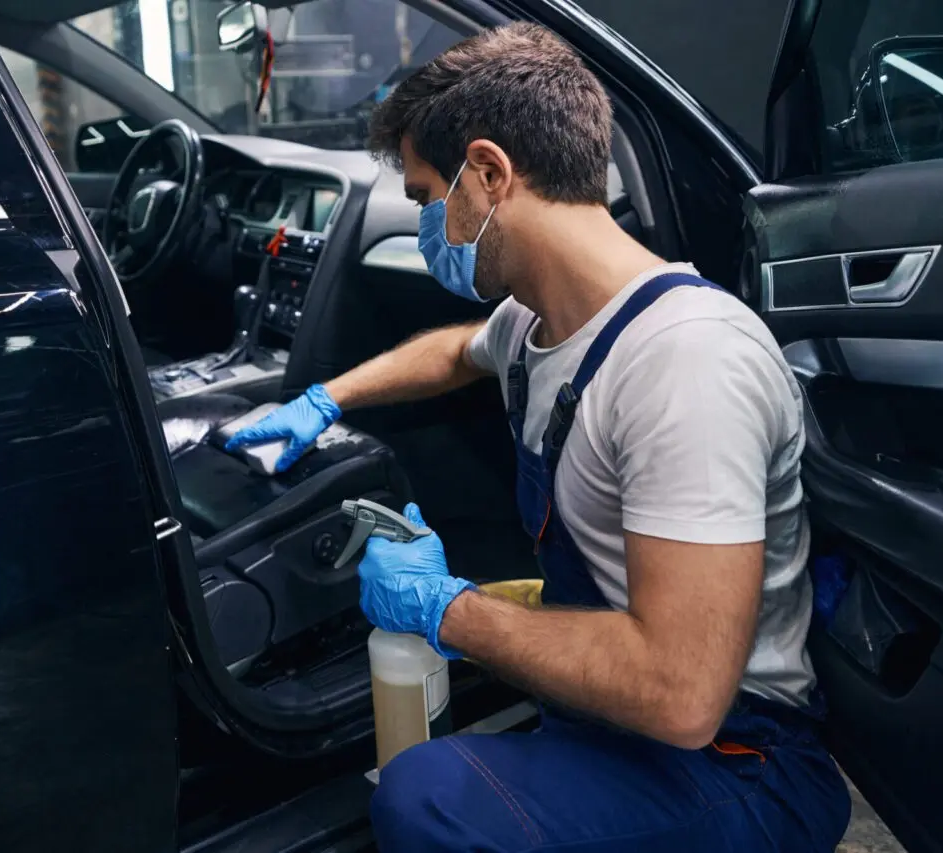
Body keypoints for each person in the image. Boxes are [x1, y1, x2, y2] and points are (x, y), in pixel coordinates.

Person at [224, 21, 852, 853]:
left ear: (487, 174)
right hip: (615, 718)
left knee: (427, 798)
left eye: (424, 198)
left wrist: (452, 609)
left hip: (735, 756)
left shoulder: (686, 363)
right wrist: (321, 400)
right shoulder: (537, 321)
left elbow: (682, 694)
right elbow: (455, 350)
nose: (425, 227)